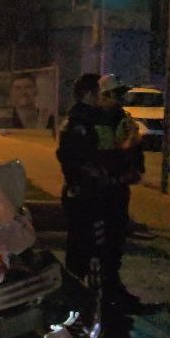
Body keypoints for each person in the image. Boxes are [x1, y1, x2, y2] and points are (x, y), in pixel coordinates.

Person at [58, 74, 118, 293]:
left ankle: (82, 294)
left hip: (84, 192)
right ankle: (83, 297)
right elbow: (75, 159)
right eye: (98, 93)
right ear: (89, 94)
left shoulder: (82, 119)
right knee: (86, 247)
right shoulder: (81, 122)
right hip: (86, 195)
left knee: (82, 246)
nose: (101, 98)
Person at [92, 76, 148, 310]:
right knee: (97, 246)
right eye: (115, 95)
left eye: (121, 95)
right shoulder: (92, 122)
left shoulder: (125, 121)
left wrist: (131, 171)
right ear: (103, 96)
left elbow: (135, 156)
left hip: (118, 192)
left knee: (115, 244)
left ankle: (112, 288)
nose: (120, 100)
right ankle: (97, 294)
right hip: (98, 194)